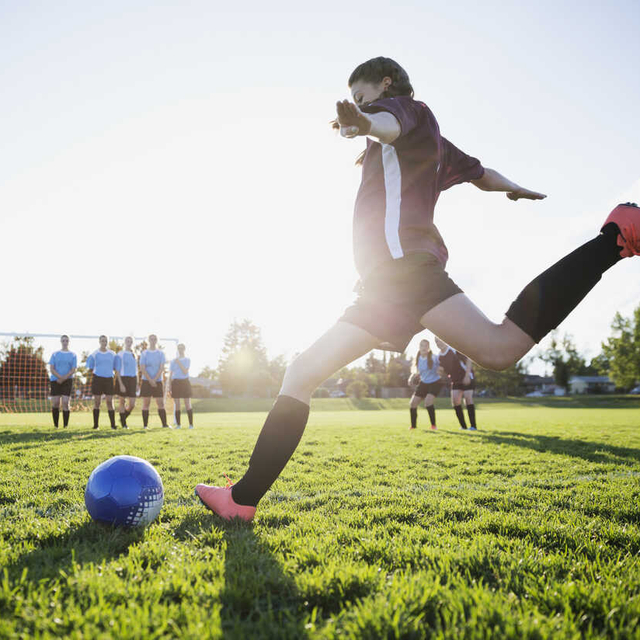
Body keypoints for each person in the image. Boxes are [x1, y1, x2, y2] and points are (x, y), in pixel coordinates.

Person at [195, 56, 640, 522]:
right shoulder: (434, 144)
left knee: (497, 347)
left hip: (404, 275)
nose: (361, 106)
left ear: (387, 85)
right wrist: (516, 189)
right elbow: (481, 174)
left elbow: (388, 123)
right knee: (306, 371)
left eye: (363, 95)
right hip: (384, 289)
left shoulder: (409, 112)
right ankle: (242, 500)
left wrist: (367, 119)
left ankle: (613, 240)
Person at [435, 337, 477, 430]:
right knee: (455, 401)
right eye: (436, 341)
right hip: (455, 380)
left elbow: (468, 360)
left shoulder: (454, 350)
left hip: (466, 376)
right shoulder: (439, 356)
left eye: (439, 340)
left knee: (468, 399)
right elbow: (443, 370)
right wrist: (438, 373)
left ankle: (473, 426)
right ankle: (463, 427)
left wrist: (467, 376)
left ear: (444, 340)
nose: (438, 343)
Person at [408, 339, 442, 430]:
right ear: (419, 347)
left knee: (428, 402)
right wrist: (411, 377)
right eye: (422, 345)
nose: (424, 348)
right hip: (423, 382)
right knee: (413, 403)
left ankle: (433, 425)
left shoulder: (434, 357)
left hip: (435, 382)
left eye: (426, 346)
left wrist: (440, 370)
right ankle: (413, 426)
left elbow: (441, 367)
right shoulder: (417, 358)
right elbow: (417, 371)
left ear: (429, 348)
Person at [87, 335, 118, 430]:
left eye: (105, 341)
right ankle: (96, 425)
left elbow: (116, 367)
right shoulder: (95, 354)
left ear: (107, 342)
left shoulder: (112, 354)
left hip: (109, 379)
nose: (104, 342)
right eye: (102, 341)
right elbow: (89, 365)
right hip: (98, 379)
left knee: (109, 402)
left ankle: (113, 425)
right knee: (97, 402)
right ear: (99, 341)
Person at [139, 334, 169, 428]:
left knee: (160, 403)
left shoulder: (161, 353)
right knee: (146, 403)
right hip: (146, 381)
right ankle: (145, 426)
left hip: (158, 381)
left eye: (154, 339)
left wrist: (155, 380)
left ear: (157, 340)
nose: (153, 340)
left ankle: (164, 425)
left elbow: (161, 368)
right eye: (151, 339)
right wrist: (150, 380)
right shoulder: (144, 353)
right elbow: (142, 368)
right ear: (148, 340)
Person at [48, 335, 77, 428]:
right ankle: (56, 426)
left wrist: (64, 378)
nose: (65, 342)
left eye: (66, 341)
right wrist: (59, 377)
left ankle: (65, 426)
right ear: (61, 342)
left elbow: (73, 369)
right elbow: (51, 369)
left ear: (69, 342)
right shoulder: (55, 354)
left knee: (65, 402)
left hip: (67, 380)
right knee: (56, 402)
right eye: (63, 340)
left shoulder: (73, 355)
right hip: (55, 380)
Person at [113, 336, 137, 429]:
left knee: (132, 404)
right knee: (122, 402)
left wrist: (137, 383)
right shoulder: (120, 354)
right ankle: (124, 424)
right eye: (127, 341)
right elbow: (117, 370)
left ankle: (122, 417)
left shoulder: (134, 354)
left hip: (133, 379)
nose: (129, 342)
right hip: (122, 378)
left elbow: (136, 369)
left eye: (131, 341)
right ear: (125, 342)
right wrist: (121, 383)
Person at [169, 343, 193, 429]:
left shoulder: (187, 360)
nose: (180, 349)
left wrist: (178, 362)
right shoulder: (172, 361)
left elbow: (185, 371)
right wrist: (169, 386)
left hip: (185, 382)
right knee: (177, 404)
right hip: (176, 383)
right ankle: (178, 425)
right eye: (179, 348)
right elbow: (171, 375)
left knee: (187, 404)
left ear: (184, 349)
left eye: (182, 348)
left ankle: (191, 425)